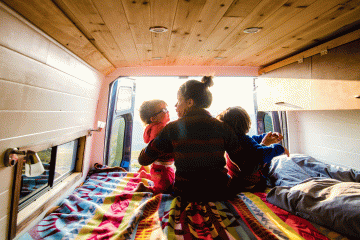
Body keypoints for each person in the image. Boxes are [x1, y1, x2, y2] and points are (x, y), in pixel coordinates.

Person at [137, 76, 262, 201]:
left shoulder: (172, 128)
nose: (176, 105)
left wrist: (157, 138)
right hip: (219, 192)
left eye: (179, 101)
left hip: (185, 193)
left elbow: (143, 160)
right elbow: (248, 166)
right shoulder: (223, 127)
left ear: (190, 102)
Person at [217, 106, 289, 191]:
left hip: (236, 180)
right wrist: (279, 148)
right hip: (251, 183)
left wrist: (264, 137)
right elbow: (261, 154)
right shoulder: (244, 140)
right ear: (246, 124)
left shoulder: (233, 140)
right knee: (267, 172)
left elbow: (253, 141)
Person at [137, 99, 175, 195]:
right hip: (163, 168)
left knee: (162, 179)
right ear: (153, 118)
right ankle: (144, 188)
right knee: (165, 189)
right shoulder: (161, 129)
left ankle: (146, 175)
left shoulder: (153, 127)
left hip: (157, 166)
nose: (168, 112)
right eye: (164, 110)